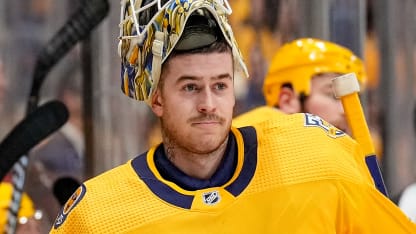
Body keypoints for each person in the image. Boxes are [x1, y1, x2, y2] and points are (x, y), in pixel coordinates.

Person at [50, 0, 416, 233]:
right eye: (190, 87)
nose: (209, 103)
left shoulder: (318, 162)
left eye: (221, 85)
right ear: (157, 98)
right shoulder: (99, 218)